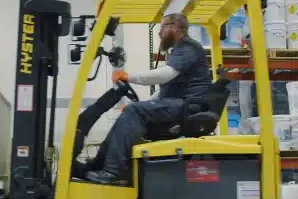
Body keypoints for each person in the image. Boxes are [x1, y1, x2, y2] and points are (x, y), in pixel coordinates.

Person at [85, 13, 212, 184]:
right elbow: (165, 88)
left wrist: (129, 76)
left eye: (162, 27)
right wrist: (144, 104)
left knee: (134, 111)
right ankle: (98, 164)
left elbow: (165, 75)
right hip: (180, 103)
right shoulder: (179, 50)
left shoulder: (188, 47)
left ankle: (112, 171)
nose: (159, 33)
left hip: (187, 105)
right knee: (132, 111)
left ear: (174, 27)